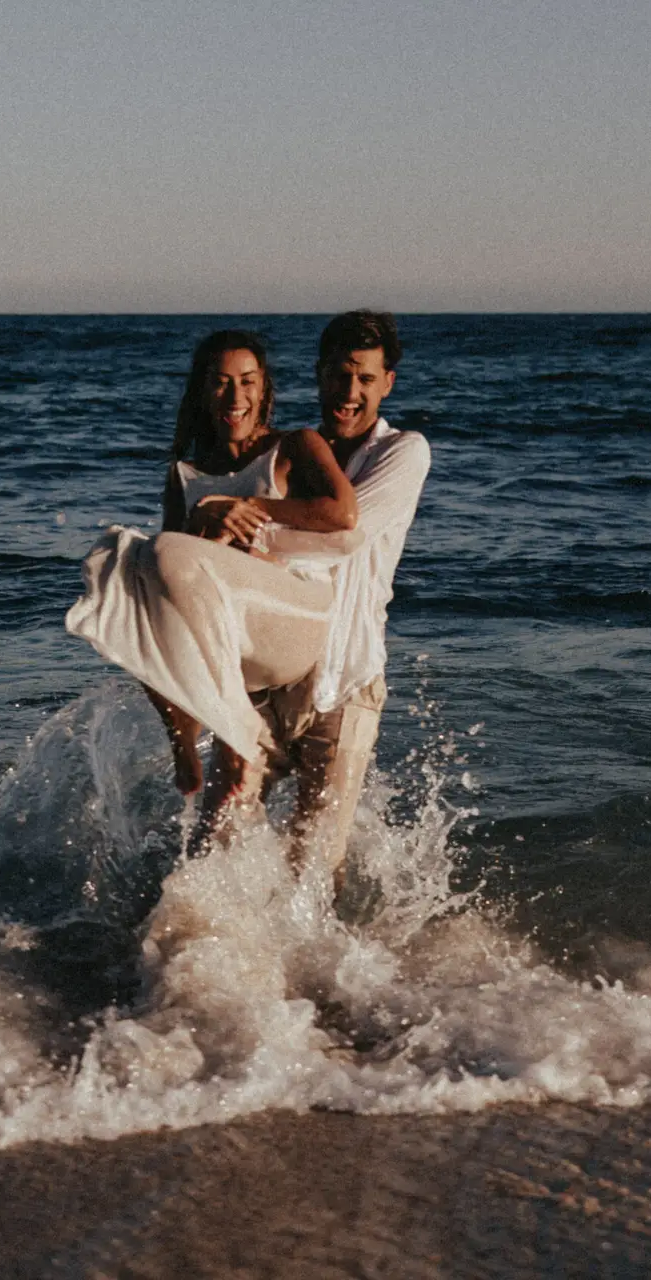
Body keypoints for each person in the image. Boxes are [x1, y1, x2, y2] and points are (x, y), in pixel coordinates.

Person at [65, 330, 361, 839]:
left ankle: (231, 730)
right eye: (221, 383)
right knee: (130, 577)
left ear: (264, 388)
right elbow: (171, 584)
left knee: (160, 552)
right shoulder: (184, 475)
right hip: (232, 647)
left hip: (292, 622)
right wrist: (205, 523)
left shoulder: (293, 446)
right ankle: (184, 737)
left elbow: (343, 513)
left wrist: (246, 508)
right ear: (203, 391)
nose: (235, 396)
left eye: (247, 381)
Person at [202, 310, 430, 888]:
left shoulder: (404, 451)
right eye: (338, 375)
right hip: (267, 680)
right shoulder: (290, 454)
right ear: (319, 375)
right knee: (212, 847)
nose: (349, 392)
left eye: (365, 378)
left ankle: (335, 952)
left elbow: (343, 532)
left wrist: (245, 517)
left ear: (387, 383)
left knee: (315, 869)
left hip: (345, 683)